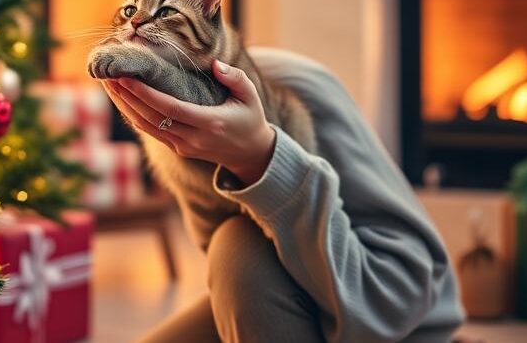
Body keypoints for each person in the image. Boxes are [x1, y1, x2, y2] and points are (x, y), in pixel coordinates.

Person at [103, 48, 464, 343]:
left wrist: (262, 157)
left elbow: (404, 294)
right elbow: (225, 268)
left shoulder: (301, 92)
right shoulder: (172, 135)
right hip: (299, 293)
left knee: (237, 249)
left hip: (405, 325)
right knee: (232, 252)